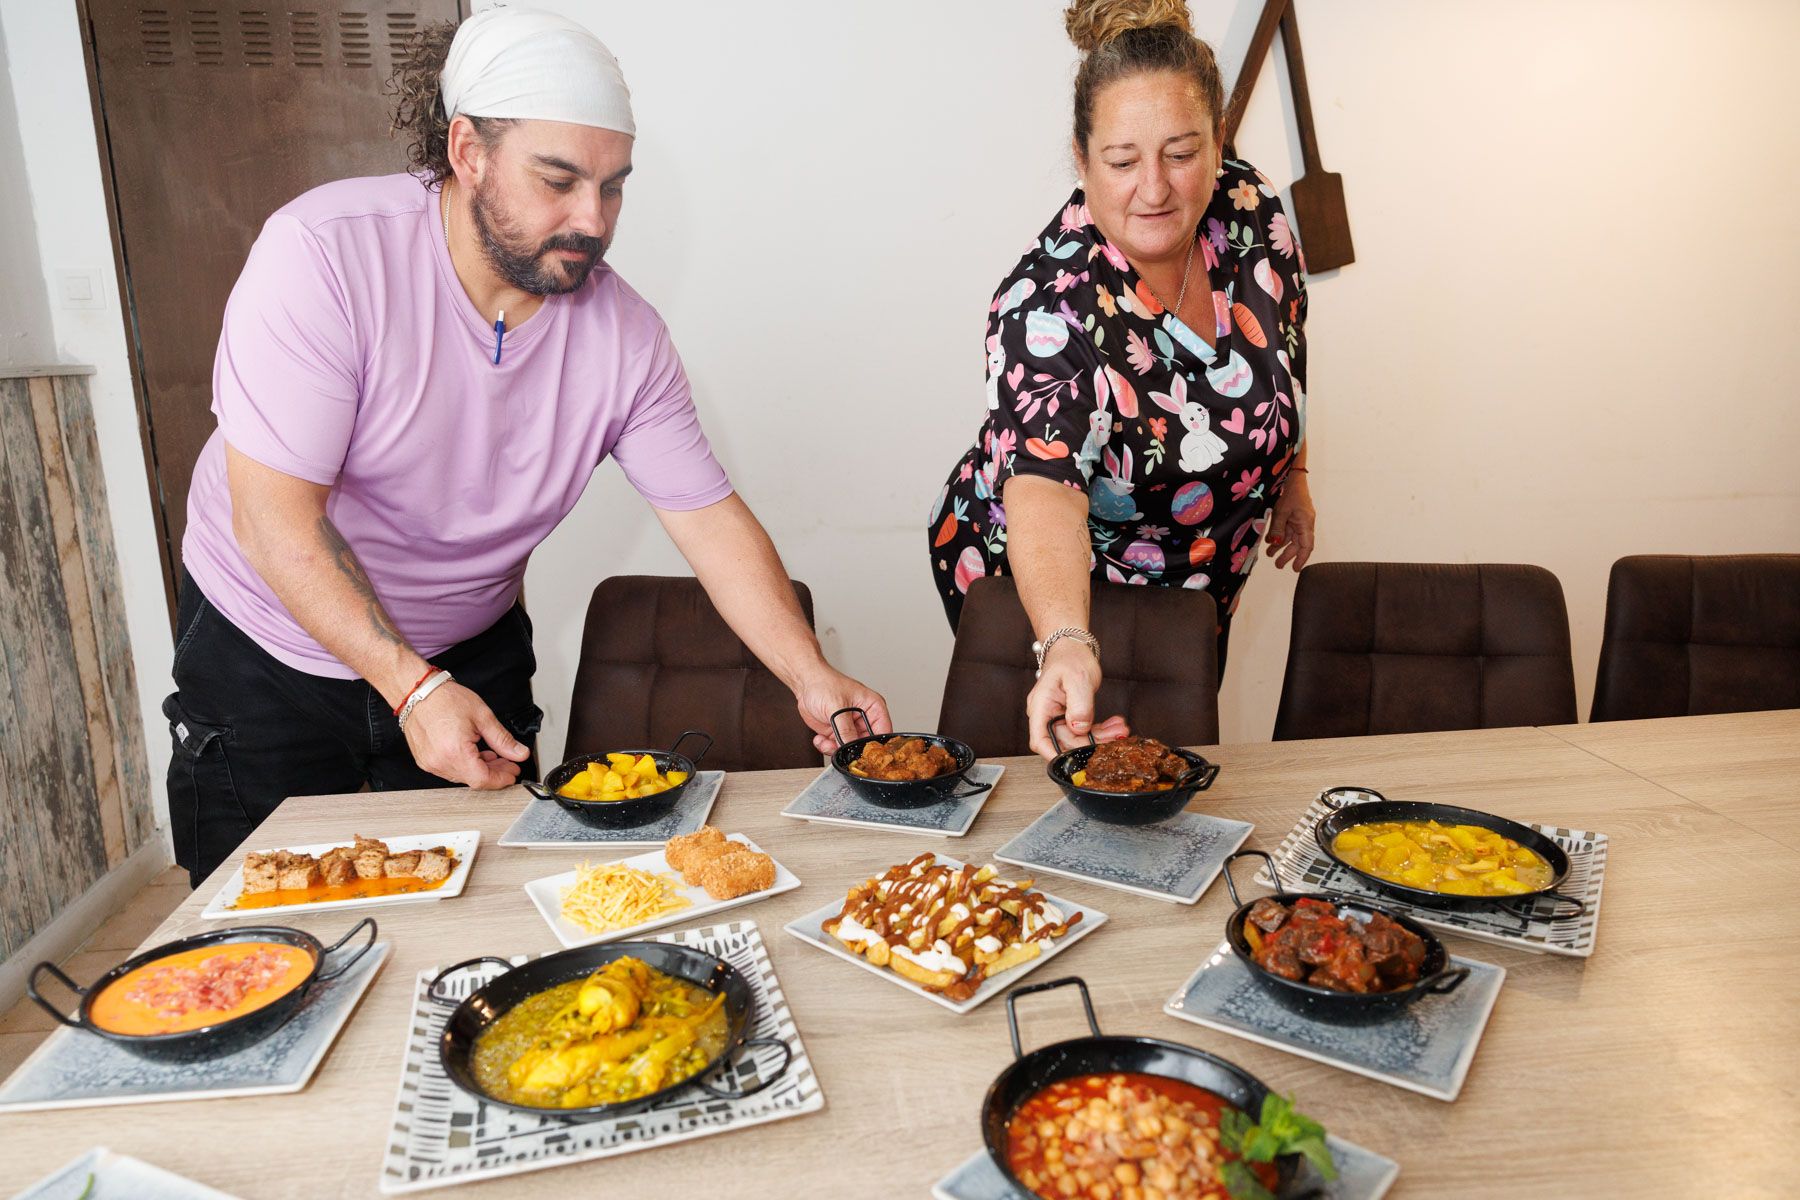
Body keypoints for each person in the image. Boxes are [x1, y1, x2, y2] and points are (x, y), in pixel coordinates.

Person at [164, 7, 889, 886]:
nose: (593, 219)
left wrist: (809, 673)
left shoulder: (626, 338)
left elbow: (708, 520)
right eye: (560, 180)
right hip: (264, 649)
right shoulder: (323, 256)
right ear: (468, 151)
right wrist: (412, 688)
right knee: (261, 938)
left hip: (470, 651)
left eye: (614, 186)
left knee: (490, 915)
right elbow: (274, 521)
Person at [928, 0, 1316, 758]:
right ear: (1081, 157)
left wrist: (1293, 470)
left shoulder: (1249, 205)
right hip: (1049, 580)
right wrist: (1066, 640)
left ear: (1217, 142)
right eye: (1122, 160)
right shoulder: (1047, 306)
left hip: (1199, 568)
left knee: (1171, 776)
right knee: (1071, 781)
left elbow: (1288, 342)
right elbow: (1044, 492)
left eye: (1181, 152)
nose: (1155, 188)